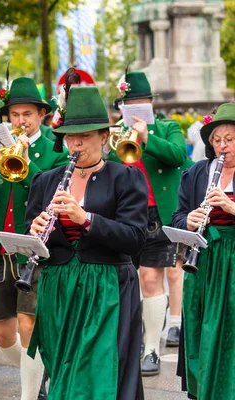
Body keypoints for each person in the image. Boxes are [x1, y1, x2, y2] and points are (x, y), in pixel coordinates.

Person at [26, 85, 147, 399]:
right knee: (64, 371)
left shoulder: (125, 177)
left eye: (85, 136)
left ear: (104, 136)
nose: (76, 143)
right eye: (70, 136)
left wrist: (87, 219)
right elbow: (32, 237)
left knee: (101, 375)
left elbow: (135, 238)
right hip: (59, 288)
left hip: (108, 287)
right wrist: (35, 233)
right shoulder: (46, 180)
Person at [0, 76, 68, 399]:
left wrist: (25, 159)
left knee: (28, 326)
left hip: (34, 251)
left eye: (27, 114)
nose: (20, 121)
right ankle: (40, 377)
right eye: (14, 115)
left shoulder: (54, 150)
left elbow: (54, 194)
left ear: (41, 115)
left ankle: (30, 392)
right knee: (2, 332)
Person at [107, 71, 187, 376]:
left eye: (141, 102)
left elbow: (178, 155)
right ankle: (136, 337)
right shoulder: (117, 131)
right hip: (127, 214)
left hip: (159, 215)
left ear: (151, 103)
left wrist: (146, 137)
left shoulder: (167, 127)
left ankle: (152, 347)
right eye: (130, 103)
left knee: (151, 279)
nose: (136, 107)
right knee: (129, 279)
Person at [172, 103, 235, 399]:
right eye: (217, 140)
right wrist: (189, 219)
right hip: (204, 259)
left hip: (233, 259)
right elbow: (177, 216)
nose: (222, 146)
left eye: (230, 139)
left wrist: (230, 206)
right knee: (201, 324)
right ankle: (202, 390)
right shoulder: (196, 173)